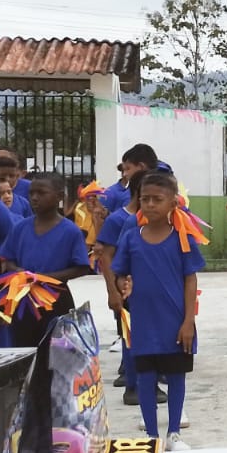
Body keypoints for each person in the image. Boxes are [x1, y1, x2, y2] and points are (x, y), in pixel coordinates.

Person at [111, 172, 203, 451]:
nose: (150, 204)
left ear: (173, 203)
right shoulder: (130, 238)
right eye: (145, 199)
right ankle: (151, 436)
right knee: (146, 377)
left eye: (157, 199)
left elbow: (190, 280)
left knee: (176, 376)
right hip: (143, 322)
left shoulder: (183, 239)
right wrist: (122, 284)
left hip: (175, 321)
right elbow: (120, 274)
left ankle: (174, 433)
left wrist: (188, 321)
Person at [0, 173, 91, 350]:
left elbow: (81, 267)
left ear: (59, 196)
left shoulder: (70, 231)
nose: (34, 197)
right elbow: (8, 259)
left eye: (41, 193)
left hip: (56, 300)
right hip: (23, 300)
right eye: (32, 193)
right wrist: (18, 271)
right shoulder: (20, 228)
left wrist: (45, 277)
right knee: (24, 349)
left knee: (56, 351)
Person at [97, 172, 163, 407]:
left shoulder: (158, 221)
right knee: (132, 336)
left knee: (151, 336)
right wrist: (113, 290)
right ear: (140, 193)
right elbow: (108, 256)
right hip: (130, 288)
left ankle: (150, 381)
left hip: (152, 290)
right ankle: (133, 384)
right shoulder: (122, 220)